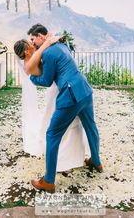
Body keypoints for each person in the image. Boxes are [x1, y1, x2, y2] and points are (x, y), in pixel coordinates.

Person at [27, 24, 103, 193]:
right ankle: (96, 161)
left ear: (41, 36)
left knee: (52, 134)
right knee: (91, 127)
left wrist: (32, 77)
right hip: (85, 90)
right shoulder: (62, 45)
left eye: (33, 40)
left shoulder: (48, 52)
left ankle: (48, 181)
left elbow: (46, 81)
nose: (33, 45)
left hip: (70, 95)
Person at [14, 36, 89, 172]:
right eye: (29, 43)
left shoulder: (34, 57)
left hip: (60, 88)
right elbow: (44, 79)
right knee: (59, 127)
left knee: (64, 125)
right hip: (57, 90)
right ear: (25, 51)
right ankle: (64, 159)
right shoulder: (29, 64)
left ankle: (68, 156)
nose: (32, 43)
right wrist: (46, 45)